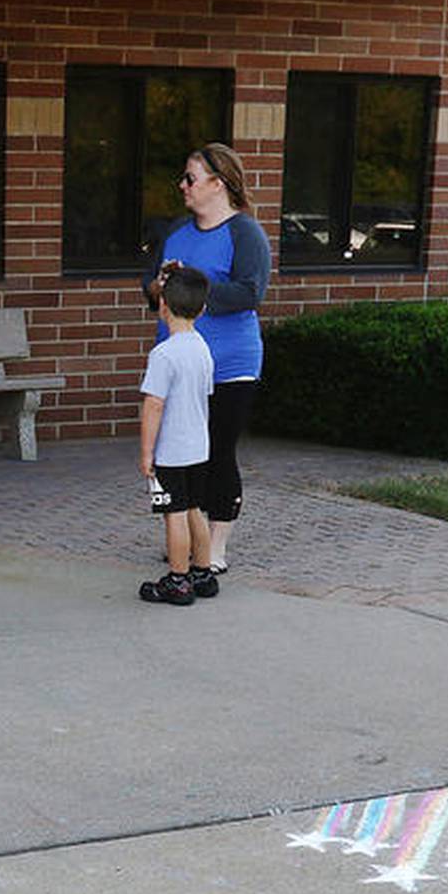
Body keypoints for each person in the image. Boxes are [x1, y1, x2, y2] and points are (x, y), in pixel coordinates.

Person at [143, 142, 271, 575]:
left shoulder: (245, 233)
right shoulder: (176, 231)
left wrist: (193, 287)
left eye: (190, 178)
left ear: (218, 184)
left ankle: (215, 548)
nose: (182, 186)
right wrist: (162, 285)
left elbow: (251, 292)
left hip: (230, 364)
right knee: (180, 455)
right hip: (178, 365)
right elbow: (152, 289)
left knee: (217, 451)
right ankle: (189, 542)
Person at [138, 265, 216, 606]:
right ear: (202, 309)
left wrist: (146, 453)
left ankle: (178, 579)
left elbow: (153, 406)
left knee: (173, 514)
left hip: (170, 452)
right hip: (199, 448)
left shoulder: (163, 354)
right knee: (196, 509)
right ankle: (203, 571)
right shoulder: (202, 349)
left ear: (163, 306)